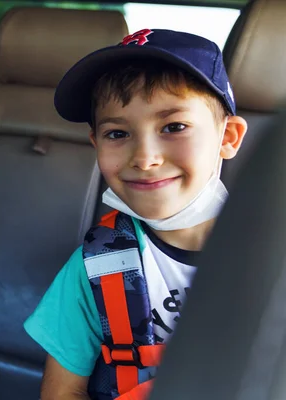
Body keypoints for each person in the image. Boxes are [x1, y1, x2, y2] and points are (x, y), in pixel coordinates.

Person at [24, 29, 248, 400]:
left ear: (228, 138)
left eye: (174, 127)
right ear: (95, 143)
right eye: (117, 133)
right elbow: (62, 392)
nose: (145, 159)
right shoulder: (97, 266)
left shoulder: (269, 254)